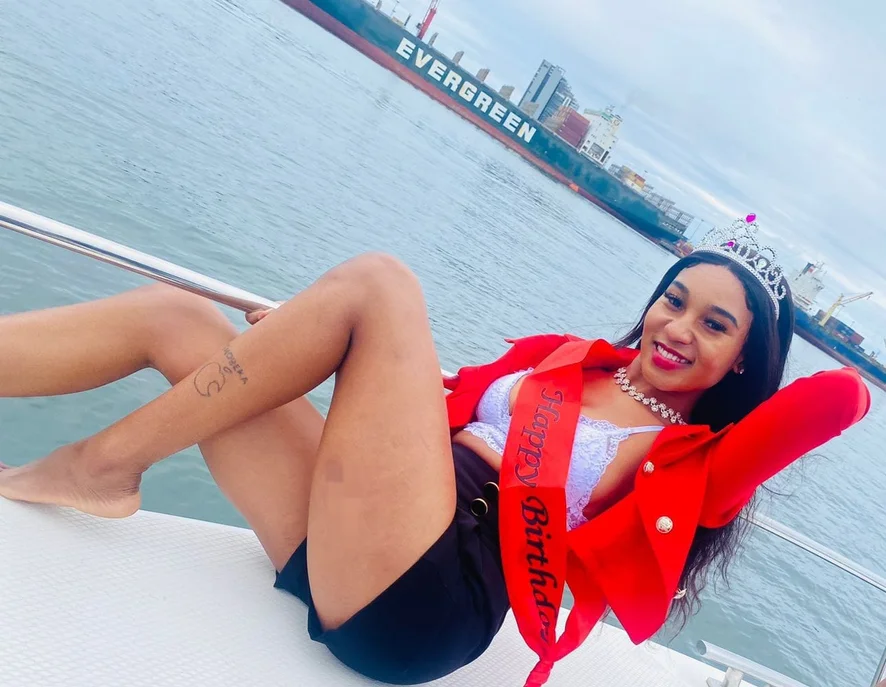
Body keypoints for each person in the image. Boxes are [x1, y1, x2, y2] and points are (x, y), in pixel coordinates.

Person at [0, 217, 871, 686]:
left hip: (433, 593)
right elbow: (421, 404)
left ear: (745, 359)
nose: (677, 327)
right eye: (673, 300)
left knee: (384, 282)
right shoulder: (566, 360)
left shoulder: (700, 462)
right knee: (179, 317)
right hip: (368, 531)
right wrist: (299, 336)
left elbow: (843, 398)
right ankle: (97, 460)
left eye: (715, 324)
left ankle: (100, 466)